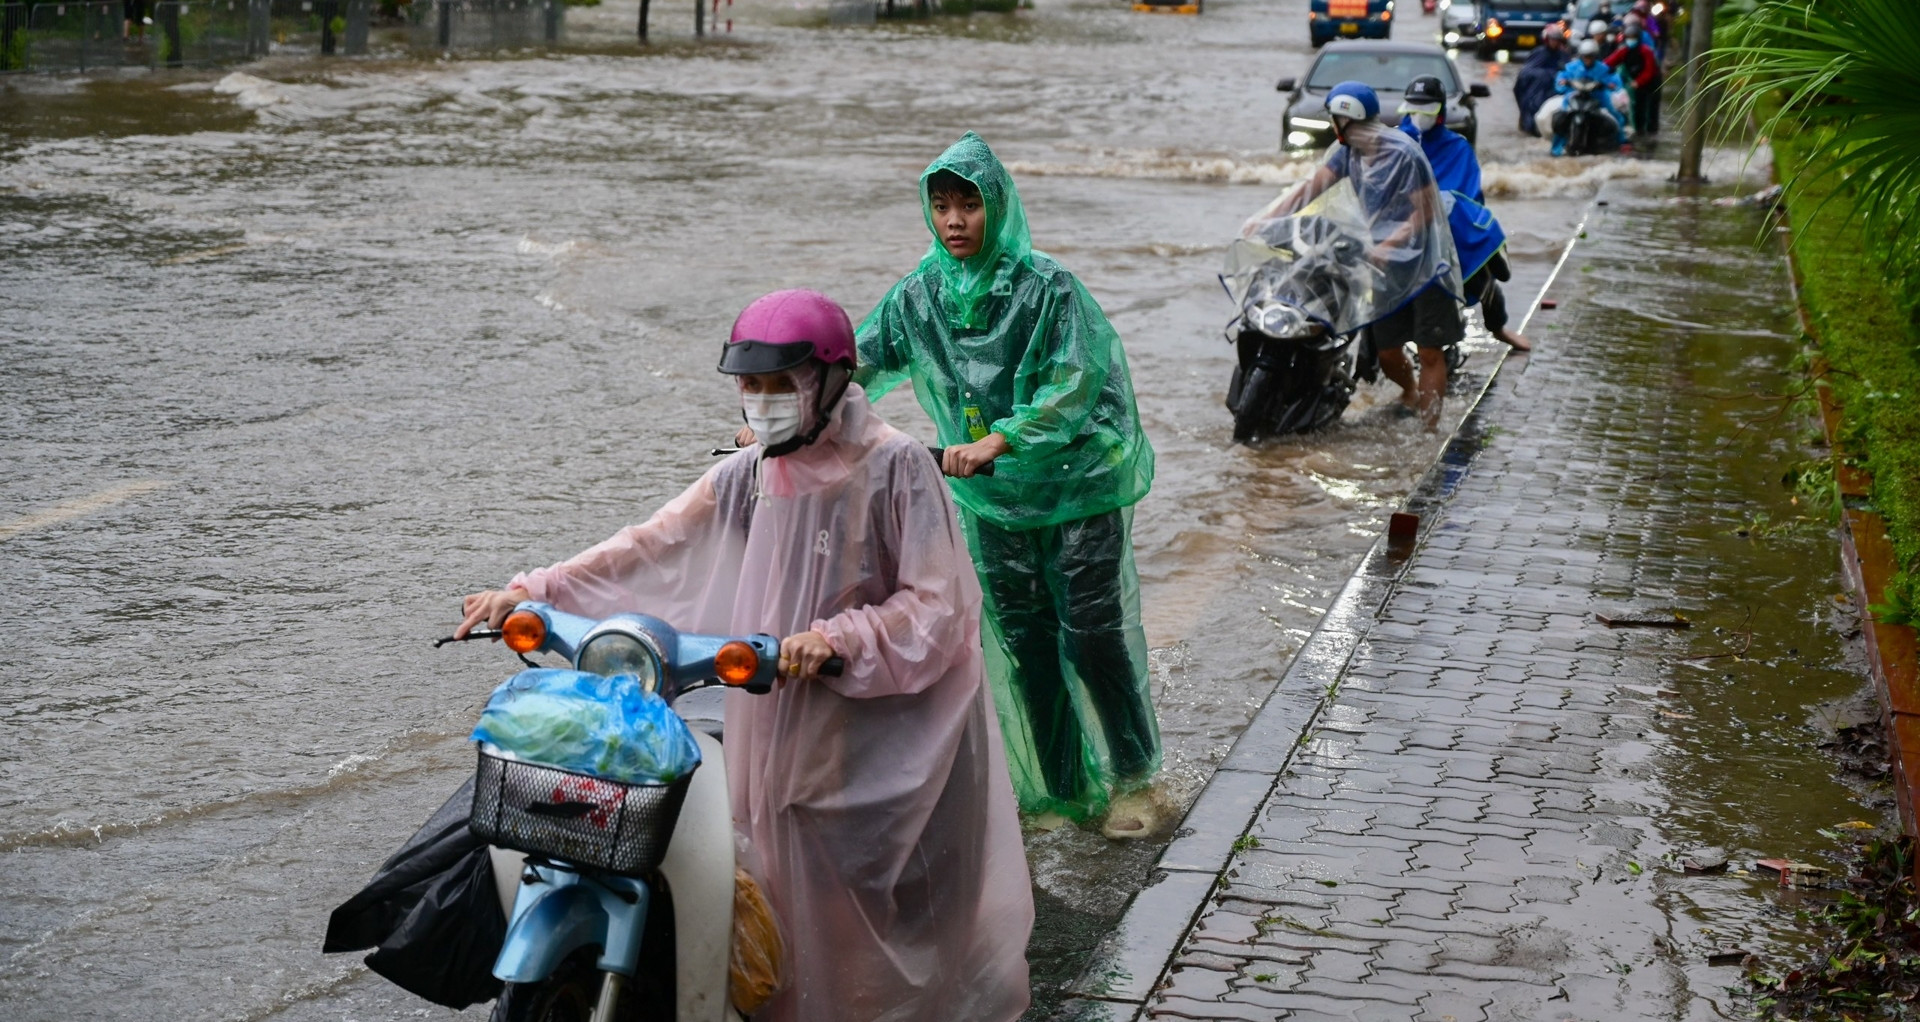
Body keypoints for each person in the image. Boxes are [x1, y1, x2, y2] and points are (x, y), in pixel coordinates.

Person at [457, 289, 1035, 1022]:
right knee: (775, 870)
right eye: (750, 384)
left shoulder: (895, 469)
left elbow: (938, 605)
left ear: (826, 382)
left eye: (779, 383)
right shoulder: (750, 474)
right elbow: (650, 544)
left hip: (879, 727)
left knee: (870, 895)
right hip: (774, 713)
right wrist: (531, 588)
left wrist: (838, 639)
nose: (761, 401)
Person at [854, 132, 1162, 836]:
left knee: (1093, 638)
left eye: (969, 204)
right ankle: (1063, 790)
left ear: (998, 206)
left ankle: (1135, 777)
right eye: (942, 205)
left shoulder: (1048, 288)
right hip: (992, 498)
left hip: (1077, 483)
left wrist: (1003, 437)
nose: (955, 220)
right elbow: (861, 361)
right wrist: (793, 405)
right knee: (1025, 647)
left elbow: (1075, 383)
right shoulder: (918, 295)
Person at [1244, 81, 1463, 428]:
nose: (1332, 125)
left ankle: (1429, 430)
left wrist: (1390, 244)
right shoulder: (1348, 154)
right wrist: (1266, 219)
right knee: (1388, 352)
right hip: (1383, 266)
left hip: (1423, 267)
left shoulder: (1404, 153)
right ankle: (1409, 390)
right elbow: (1309, 191)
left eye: (1334, 118)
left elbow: (1425, 212)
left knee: (1429, 350)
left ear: (1347, 119)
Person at [1397, 75, 1530, 352]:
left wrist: (1437, 207)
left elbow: (1466, 194)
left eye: (1426, 110)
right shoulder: (1397, 142)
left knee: (1483, 263)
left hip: (1448, 225)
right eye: (1414, 109)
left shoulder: (1457, 146)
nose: (1419, 116)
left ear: (1441, 112)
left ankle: (1498, 327)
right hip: (1399, 224)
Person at [1550, 39, 1629, 156]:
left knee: (1614, 115)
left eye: (1590, 57)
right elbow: (1562, 77)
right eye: (1585, 57)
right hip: (1574, 95)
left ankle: (1622, 141)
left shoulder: (1603, 68)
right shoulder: (1572, 67)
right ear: (1581, 56)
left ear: (1595, 56)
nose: (1588, 59)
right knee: (1563, 117)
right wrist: (1562, 81)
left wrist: (1610, 84)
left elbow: (1614, 80)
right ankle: (1556, 148)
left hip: (1598, 96)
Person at [1606, 13, 1664, 136]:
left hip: (1652, 82)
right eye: (1629, 37)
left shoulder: (1646, 51)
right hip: (1637, 82)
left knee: (1652, 107)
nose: (1630, 40)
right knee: (1638, 107)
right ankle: (1639, 132)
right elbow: (1609, 62)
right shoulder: (1624, 51)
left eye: (1633, 38)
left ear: (1638, 38)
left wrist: (1638, 82)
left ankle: (1652, 133)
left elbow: (1649, 71)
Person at [1514, 23, 1571, 137]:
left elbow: (1570, 69)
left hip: (1557, 89)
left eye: (1557, 40)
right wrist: (1547, 75)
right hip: (1539, 90)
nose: (1555, 43)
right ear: (1547, 39)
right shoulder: (1539, 53)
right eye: (1553, 40)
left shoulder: (1563, 54)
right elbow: (1525, 73)